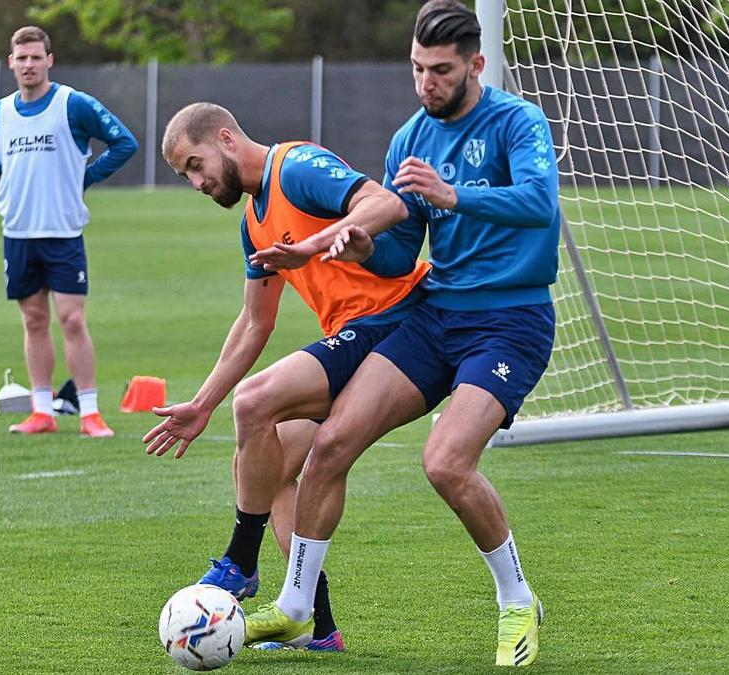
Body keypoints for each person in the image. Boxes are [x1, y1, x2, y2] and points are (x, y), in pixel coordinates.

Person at [243, 1, 560, 666]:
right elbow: (400, 250)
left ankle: (517, 599)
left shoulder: (516, 122)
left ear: (475, 64)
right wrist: (359, 247)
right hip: (436, 315)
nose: (426, 83)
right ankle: (297, 609)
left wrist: (454, 195)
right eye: (417, 69)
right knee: (329, 447)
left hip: (509, 321)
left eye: (440, 70)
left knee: (445, 461)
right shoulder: (409, 139)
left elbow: (539, 205)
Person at [145, 102, 429, 650]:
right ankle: (316, 627)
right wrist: (202, 403)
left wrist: (313, 246)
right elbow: (255, 322)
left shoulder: (296, 166)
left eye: (196, 165)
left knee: (254, 403)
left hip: (395, 317)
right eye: (187, 176)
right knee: (268, 466)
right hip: (353, 334)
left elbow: (382, 202)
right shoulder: (253, 224)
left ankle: (240, 561)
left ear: (226, 138)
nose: (198, 182)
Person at [0, 26, 137, 437]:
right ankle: (41, 411)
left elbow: (123, 142)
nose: (28, 65)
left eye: (35, 57)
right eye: (21, 58)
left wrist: (85, 177)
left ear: (50, 60)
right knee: (33, 320)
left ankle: (90, 412)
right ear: (11, 62)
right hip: (18, 231)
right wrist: (11, 174)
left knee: (72, 320)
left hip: (63, 230)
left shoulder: (72, 104)